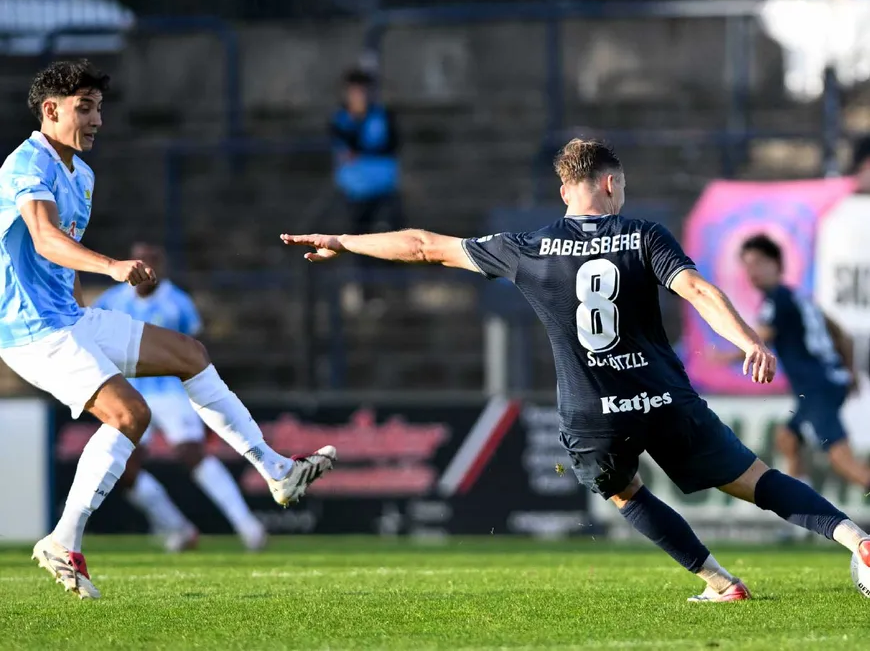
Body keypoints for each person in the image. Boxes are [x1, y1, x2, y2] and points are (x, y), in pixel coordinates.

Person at [283, 138, 870, 602]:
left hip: (593, 412)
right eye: (621, 187)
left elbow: (422, 245)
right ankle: (857, 539)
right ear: (609, 183)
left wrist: (343, 241)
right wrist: (746, 341)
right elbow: (696, 289)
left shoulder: (528, 247)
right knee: (756, 481)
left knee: (622, 492)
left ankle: (720, 582)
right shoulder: (643, 235)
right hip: (664, 399)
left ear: (565, 190)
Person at [0, 59, 335, 600]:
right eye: (86, 108)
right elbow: (44, 238)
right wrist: (111, 267)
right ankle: (64, 539)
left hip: (69, 318)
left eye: (99, 108)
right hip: (32, 330)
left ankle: (276, 470)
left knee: (189, 354)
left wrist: (84, 308)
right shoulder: (25, 164)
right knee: (131, 415)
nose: (97, 120)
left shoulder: (82, 174)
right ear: (51, 110)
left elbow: (62, 261)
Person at [92, 243, 267, 552]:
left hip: (171, 391)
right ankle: (179, 529)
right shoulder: (111, 300)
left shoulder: (178, 303)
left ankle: (247, 526)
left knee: (191, 454)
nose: (147, 267)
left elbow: (196, 351)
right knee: (125, 470)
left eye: (154, 261)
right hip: (129, 393)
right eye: (141, 261)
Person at [727, 234, 870, 494]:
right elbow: (842, 335)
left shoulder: (777, 300)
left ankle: (804, 505)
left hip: (817, 387)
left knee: (841, 459)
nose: (752, 271)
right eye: (747, 265)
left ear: (776, 264)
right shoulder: (797, 298)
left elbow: (760, 339)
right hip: (826, 382)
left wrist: (723, 357)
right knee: (788, 438)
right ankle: (803, 508)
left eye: (758, 262)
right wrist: (849, 372)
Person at [329, 68, 402, 309]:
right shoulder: (340, 120)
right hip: (354, 193)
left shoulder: (383, 116)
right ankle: (366, 292)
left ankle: (392, 290)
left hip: (383, 190)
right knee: (358, 244)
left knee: (390, 236)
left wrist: (362, 151)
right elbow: (348, 146)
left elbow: (389, 146)